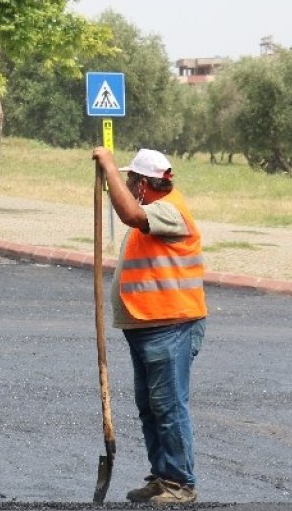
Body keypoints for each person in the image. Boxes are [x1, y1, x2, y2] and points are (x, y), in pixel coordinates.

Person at [92, 147, 207, 505]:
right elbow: (129, 211)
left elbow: (128, 212)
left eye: (130, 179)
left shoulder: (171, 211)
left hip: (170, 326)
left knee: (169, 406)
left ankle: (180, 483)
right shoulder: (153, 210)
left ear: (143, 184)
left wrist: (109, 166)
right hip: (146, 325)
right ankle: (163, 476)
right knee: (152, 406)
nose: (126, 184)